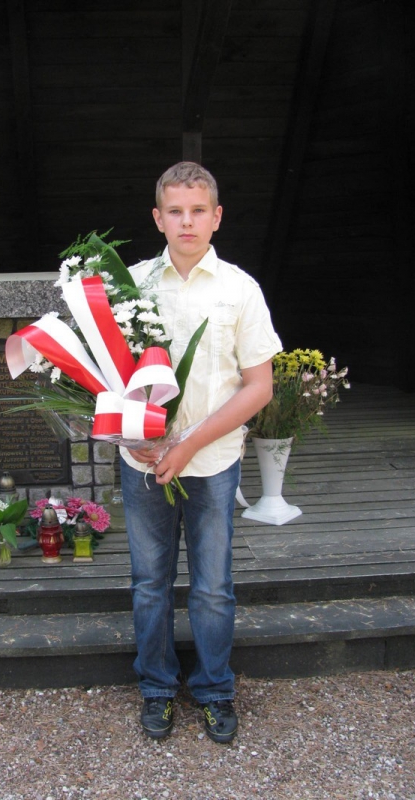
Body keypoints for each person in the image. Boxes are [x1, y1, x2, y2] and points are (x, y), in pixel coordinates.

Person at [120, 161, 282, 743]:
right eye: (175, 211)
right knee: (150, 582)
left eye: (197, 211)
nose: (186, 222)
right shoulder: (131, 284)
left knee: (212, 586)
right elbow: (107, 376)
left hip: (211, 462)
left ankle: (214, 689)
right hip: (143, 461)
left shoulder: (240, 289)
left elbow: (259, 386)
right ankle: (158, 687)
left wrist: (188, 445)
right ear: (157, 218)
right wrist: (131, 434)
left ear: (216, 217)